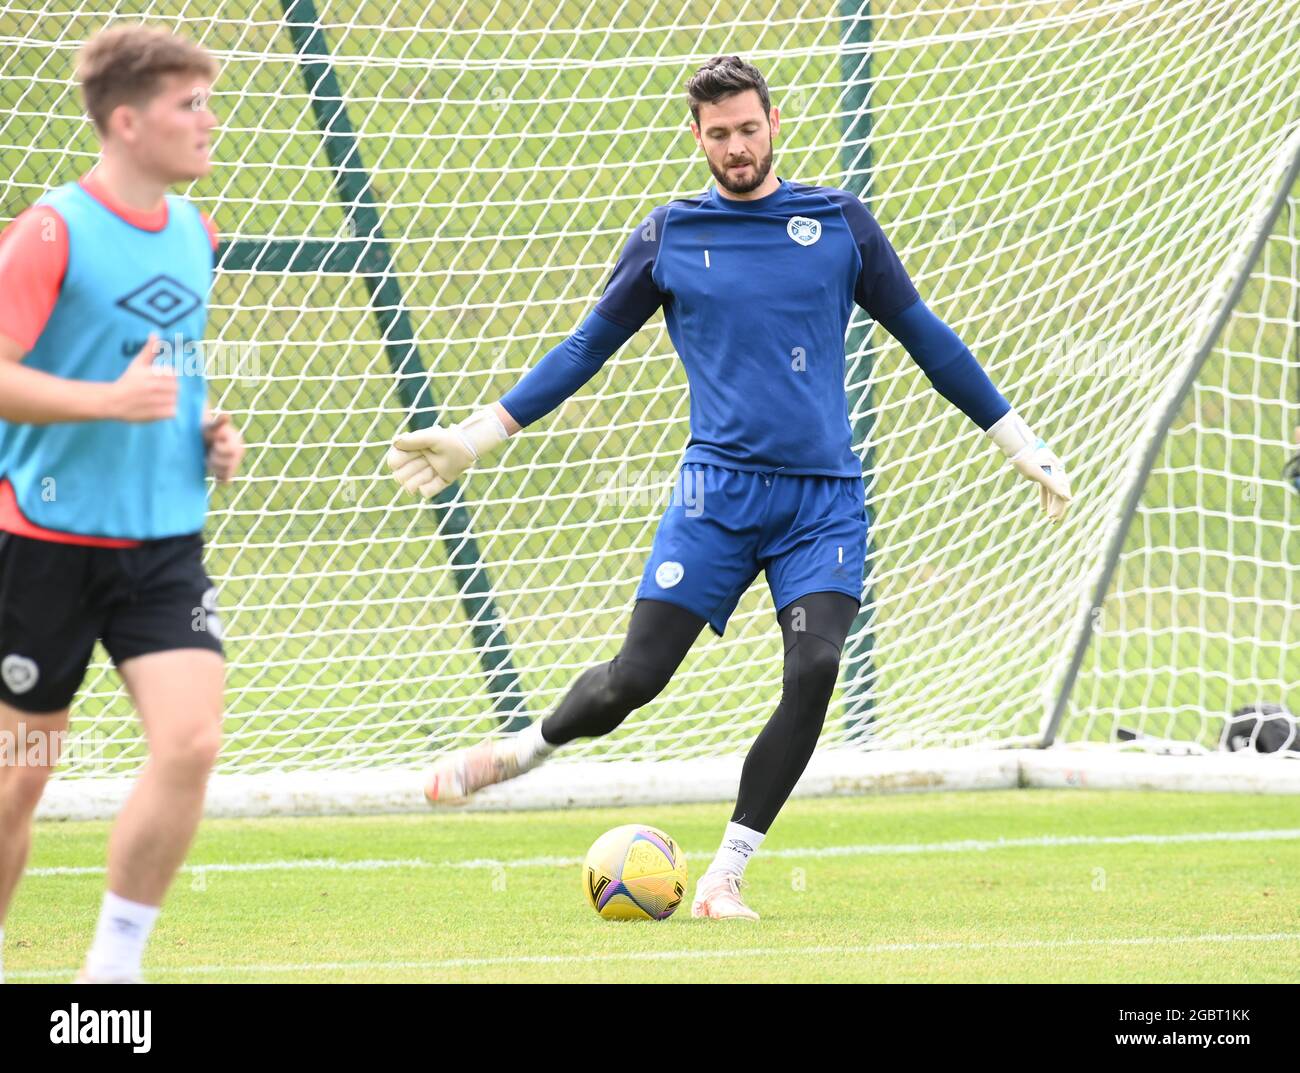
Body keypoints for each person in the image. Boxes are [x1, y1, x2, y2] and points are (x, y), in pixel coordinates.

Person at [387, 55, 1071, 920]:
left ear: (774, 123)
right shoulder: (668, 235)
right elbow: (581, 352)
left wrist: (1018, 441)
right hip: (716, 498)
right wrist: (474, 438)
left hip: (822, 499)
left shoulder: (838, 224)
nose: (737, 147)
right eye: (720, 135)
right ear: (698, 138)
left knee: (816, 663)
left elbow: (925, 334)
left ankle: (725, 874)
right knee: (634, 678)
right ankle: (527, 750)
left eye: (749, 129)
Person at [0, 25, 243, 981]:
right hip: (44, 550)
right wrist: (108, 403)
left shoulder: (196, 232)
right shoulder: (53, 229)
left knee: (192, 740)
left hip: (162, 551)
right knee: (20, 778)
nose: (209, 120)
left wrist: (202, 427)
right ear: (129, 120)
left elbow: (165, 373)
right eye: (191, 104)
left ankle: (112, 970)